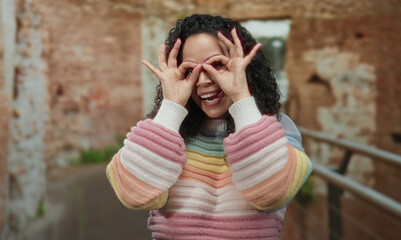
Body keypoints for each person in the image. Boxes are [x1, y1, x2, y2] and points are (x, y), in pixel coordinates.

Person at [106, 14, 312, 239]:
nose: (203, 80)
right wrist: (171, 106)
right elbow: (133, 194)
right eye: (189, 70)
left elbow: (271, 193)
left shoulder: (280, 129)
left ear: (245, 66)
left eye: (217, 64)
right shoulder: (169, 133)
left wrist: (241, 97)